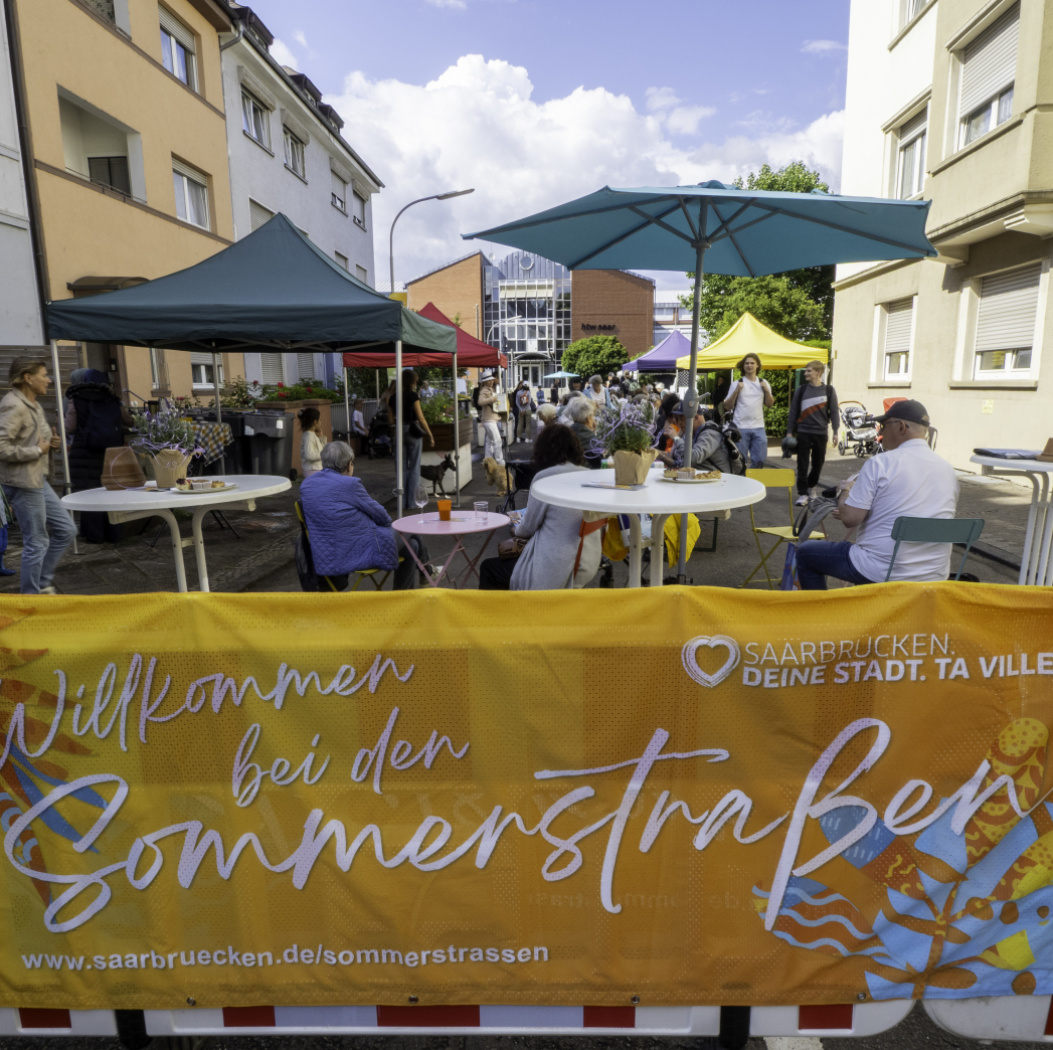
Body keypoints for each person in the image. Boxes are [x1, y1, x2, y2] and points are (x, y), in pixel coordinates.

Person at [795, 400, 958, 589]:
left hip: (882, 571)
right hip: (934, 574)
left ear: (901, 427)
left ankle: (823, 616)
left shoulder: (881, 463)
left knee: (806, 553)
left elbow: (850, 519)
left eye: (884, 426)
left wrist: (846, 490)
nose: (879, 432)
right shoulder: (948, 470)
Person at [478, 424, 601, 590]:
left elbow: (527, 528)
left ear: (542, 451)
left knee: (488, 568)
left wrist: (516, 529)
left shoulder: (544, 478)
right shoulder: (586, 475)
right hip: (586, 562)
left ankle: (501, 615)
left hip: (555, 568)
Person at [0, 357, 77, 594]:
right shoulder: (14, 404)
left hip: (37, 480)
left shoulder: (33, 403)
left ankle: (42, 582)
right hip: (24, 482)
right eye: (43, 374)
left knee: (66, 530)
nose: (49, 379)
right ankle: (31, 597)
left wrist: (51, 444)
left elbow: (37, 440)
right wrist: (37, 450)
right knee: (36, 542)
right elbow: (1, 446)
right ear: (27, 377)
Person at [300, 441, 421, 589]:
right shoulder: (349, 484)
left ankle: (411, 588)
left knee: (412, 546)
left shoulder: (307, 485)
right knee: (411, 529)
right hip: (357, 550)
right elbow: (382, 516)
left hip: (327, 555)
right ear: (349, 464)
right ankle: (424, 575)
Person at [64, 367, 132, 543]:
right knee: (111, 492)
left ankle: (94, 535)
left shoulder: (76, 399)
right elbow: (127, 420)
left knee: (89, 494)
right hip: (111, 452)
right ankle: (115, 533)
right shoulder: (112, 399)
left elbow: (69, 426)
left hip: (85, 452)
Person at [787, 360, 839, 506]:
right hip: (803, 432)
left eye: (809, 371)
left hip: (821, 433)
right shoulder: (801, 390)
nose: (806, 373)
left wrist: (835, 431)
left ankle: (811, 487)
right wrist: (789, 432)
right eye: (806, 371)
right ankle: (803, 494)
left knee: (818, 464)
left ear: (818, 372)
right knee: (802, 465)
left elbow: (834, 412)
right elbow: (793, 412)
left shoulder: (829, 390)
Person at [723, 353, 773, 468]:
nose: (749, 365)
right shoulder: (736, 383)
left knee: (760, 460)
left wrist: (766, 391)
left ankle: (753, 482)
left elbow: (770, 404)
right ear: (743, 366)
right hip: (740, 427)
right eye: (747, 363)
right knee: (740, 461)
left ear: (757, 366)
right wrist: (736, 391)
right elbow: (727, 406)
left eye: (752, 363)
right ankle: (742, 483)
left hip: (758, 427)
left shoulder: (763, 383)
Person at [656, 402, 730, 473]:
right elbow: (682, 464)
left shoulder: (710, 433)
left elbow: (692, 459)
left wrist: (676, 438)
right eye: (678, 419)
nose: (679, 423)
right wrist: (659, 454)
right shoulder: (692, 434)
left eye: (682, 418)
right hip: (704, 480)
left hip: (719, 480)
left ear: (696, 417)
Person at [401, 369, 434, 510]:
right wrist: (430, 435)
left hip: (398, 432)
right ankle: (412, 502)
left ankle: (401, 502)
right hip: (413, 432)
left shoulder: (394, 396)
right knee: (414, 467)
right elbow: (420, 418)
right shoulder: (413, 396)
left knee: (401, 469)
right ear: (413, 382)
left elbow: (390, 419)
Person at [477, 370, 504, 466]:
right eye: (489, 380)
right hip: (489, 419)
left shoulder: (489, 389)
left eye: (492, 380)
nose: (492, 381)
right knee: (497, 440)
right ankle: (500, 461)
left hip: (490, 419)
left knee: (490, 441)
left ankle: (488, 461)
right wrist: (492, 399)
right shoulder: (485, 390)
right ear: (485, 381)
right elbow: (480, 402)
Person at [566, 395, 599, 463]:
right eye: (592, 415)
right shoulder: (589, 435)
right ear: (588, 418)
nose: (593, 419)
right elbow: (598, 459)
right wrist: (593, 434)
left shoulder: (568, 431)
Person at [298, 406, 326, 479]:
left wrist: (321, 437)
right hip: (312, 471)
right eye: (320, 420)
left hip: (316, 470)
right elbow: (309, 455)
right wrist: (324, 454)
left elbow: (322, 449)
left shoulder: (312, 435)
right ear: (315, 422)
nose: (321, 422)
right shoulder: (308, 436)